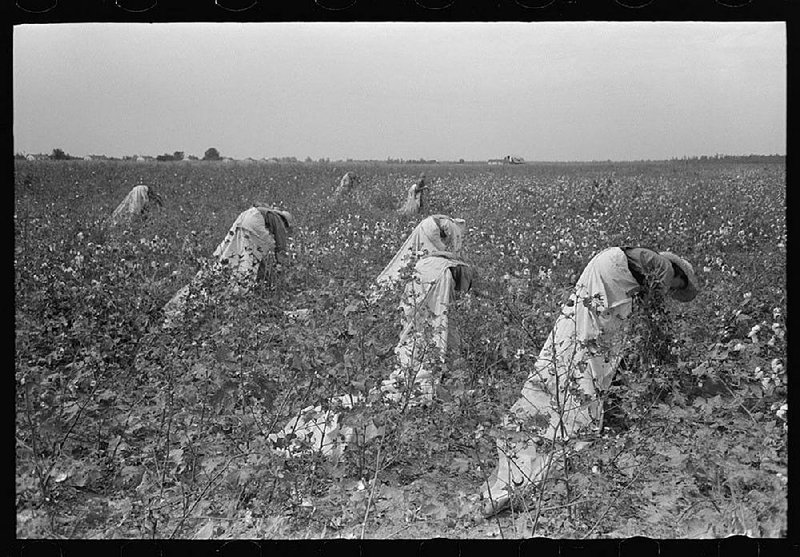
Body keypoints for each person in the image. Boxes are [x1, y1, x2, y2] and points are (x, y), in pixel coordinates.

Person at [480, 246, 699, 516]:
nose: (671, 290)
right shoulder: (660, 267)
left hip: (602, 273)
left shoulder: (631, 272)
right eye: (677, 286)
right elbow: (651, 307)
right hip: (610, 272)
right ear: (679, 276)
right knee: (590, 365)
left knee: (582, 344)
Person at [162, 205, 292, 327]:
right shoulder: (277, 220)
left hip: (242, 220)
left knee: (232, 257)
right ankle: (241, 291)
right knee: (247, 267)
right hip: (252, 224)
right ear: (285, 221)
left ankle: (226, 283)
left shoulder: (262, 212)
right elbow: (281, 247)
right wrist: (282, 267)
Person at [381, 250, 473, 403]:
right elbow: (447, 315)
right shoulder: (464, 272)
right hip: (440, 275)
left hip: (421, 271)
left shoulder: (439, 262)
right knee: (438, 327)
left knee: (415, 328)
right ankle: (425, 378)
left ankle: (408, 373)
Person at [376, 214, 466, 288]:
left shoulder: (447, 221)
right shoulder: (455, 228)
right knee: (432, 258)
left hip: (425, 224)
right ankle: (421, 280)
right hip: (432, 227)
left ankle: (404, 273)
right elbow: (457, 247)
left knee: (417, 251)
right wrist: (458, 259)